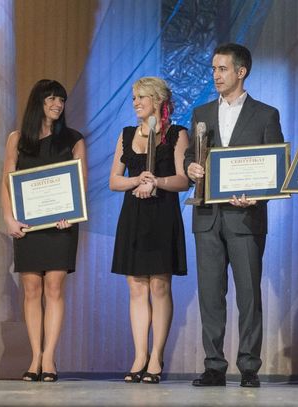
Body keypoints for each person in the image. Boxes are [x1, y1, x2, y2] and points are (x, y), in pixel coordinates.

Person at [185, 43, 283, 388]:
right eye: (214, 69)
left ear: (241, 72)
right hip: (207, 216)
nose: (216, 75)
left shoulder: (266, 114)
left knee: (248, 295)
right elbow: (190, 156)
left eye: (222, 69)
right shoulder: (201, 113)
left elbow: (275, 166)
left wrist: (257, 196)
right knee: (210, 295)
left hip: (246, 218)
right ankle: (214, 365)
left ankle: (249, 367)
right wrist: (190, 167)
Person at [1, 79, 87, 382]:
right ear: (38, 102)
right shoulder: (17, 139)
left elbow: (80, 185)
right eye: (51, 99)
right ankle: (35, 356)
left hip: (61, 227)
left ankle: (49, 357)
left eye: (61, 100)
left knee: (54, 287)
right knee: (31, 289)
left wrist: (72, 215)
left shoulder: (73, 139)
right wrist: (9, 219)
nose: (57, 105)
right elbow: (7, 182)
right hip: (28, 226)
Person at [109, 77, 189, 384]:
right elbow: (114, 181)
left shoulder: (177, 134)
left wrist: (157, 181)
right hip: (134, 216)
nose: (136, 103)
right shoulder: (127, 134)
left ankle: (157, 356)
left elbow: (183, 180)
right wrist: (136, 180)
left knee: (160, 286)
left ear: (158, 100)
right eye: (134, 98)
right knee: (136, 286)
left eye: (141, 97)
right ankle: (139, 355)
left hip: (162, 214)